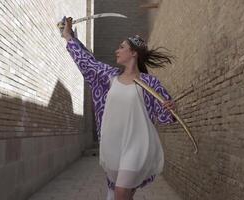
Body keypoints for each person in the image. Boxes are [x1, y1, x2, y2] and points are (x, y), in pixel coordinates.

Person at [61, 17, 176, 200]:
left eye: (122, 47)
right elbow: (87, 61)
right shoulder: (109, 77)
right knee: (121, 193)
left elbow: (165, 116)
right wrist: (68, 36)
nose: (117, 50)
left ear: (134, 53)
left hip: (138, 144)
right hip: (113, 144)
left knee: (120, 192)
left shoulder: (150, 83)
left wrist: (169, 108)